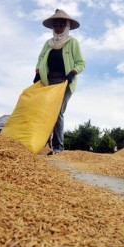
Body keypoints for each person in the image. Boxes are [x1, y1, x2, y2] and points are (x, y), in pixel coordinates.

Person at [34, 9, 86, 155]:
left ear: (67, 26)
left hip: (65, 82)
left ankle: (58, 147)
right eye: (56, 25)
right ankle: (42, 143)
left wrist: (72, 73)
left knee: (57, 112)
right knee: (44, 111)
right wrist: (38, 73)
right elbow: (40, 59)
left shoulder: (72, 42)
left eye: (61, 24)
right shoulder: (48, 43)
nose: (58, 27)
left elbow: (81, 62)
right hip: (48, 81)